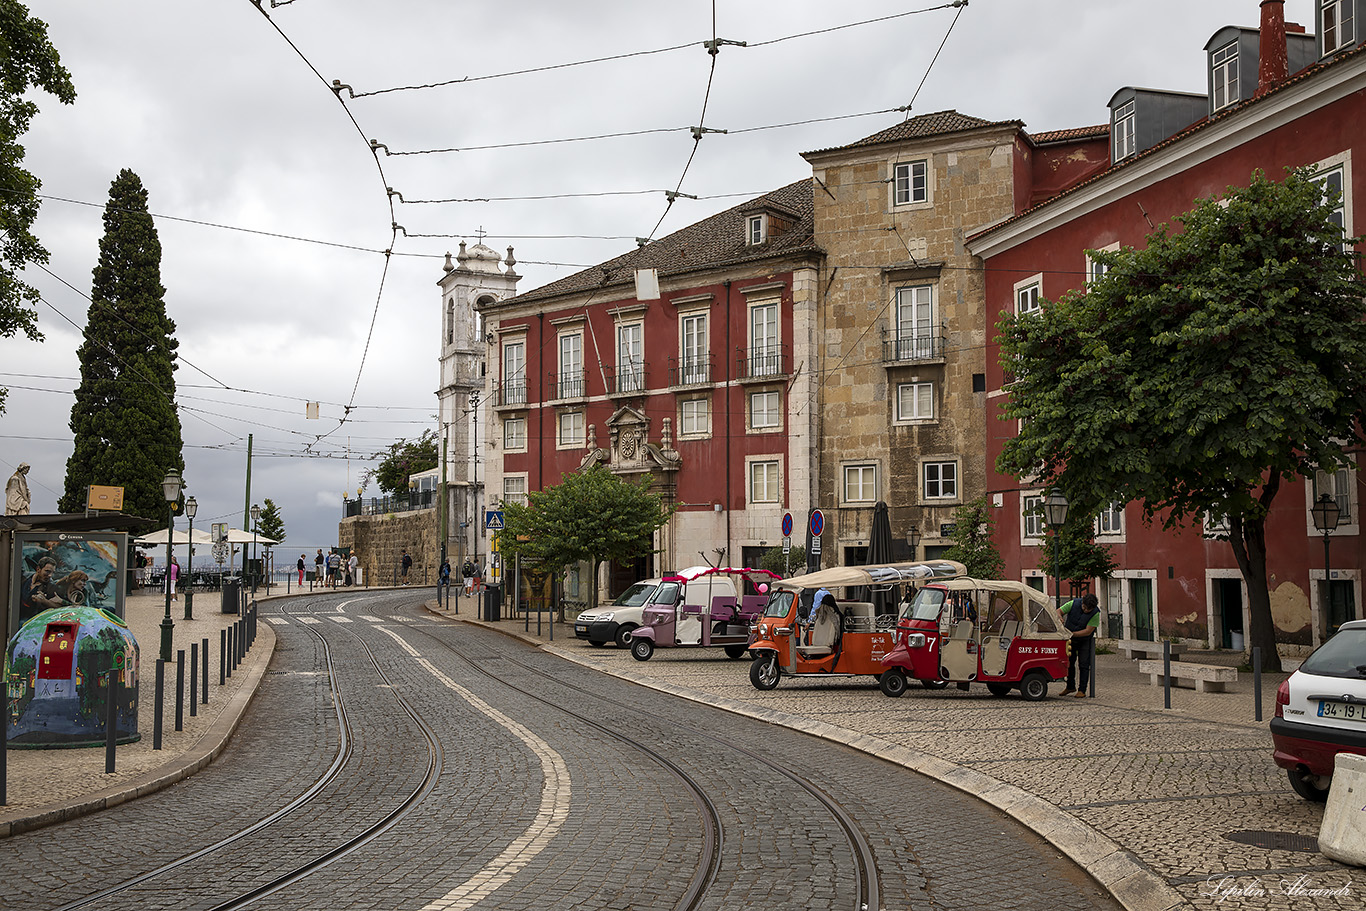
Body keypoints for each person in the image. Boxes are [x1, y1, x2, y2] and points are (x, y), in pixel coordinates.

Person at [1060, 593, 1101, 697]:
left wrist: (1072, 634)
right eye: (1084, 608)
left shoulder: (1096, 613)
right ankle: (1070, 686)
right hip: (1070, 640)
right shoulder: (1073, 603)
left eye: (1089, 610)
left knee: (1084, 664)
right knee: (1069, 663)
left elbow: (1088, 631)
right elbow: (1059, 611)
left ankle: (1082, 690)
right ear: (1082, 603)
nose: (1086, 611)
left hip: (1084, 641)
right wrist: (1060, 617)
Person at [20, 556, 64, 622]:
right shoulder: (25, 577)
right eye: (47, 571)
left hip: (32, 622)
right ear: (38, 569)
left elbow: (59, 608)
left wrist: (44, 601)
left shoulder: (51, 587)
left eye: (52, 572)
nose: (50, 575)